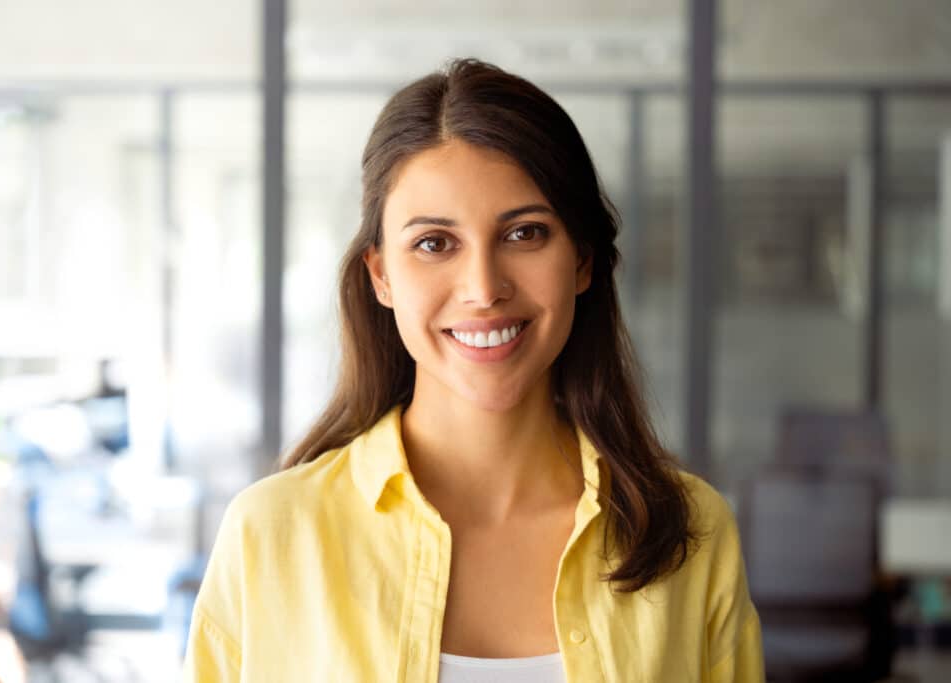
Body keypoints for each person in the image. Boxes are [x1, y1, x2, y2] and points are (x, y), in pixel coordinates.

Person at [184, 58, 764, 682]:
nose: (484, 289)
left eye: (525, 234)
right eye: (435, 243)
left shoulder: (690, 530)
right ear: (381, 276)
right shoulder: (271, 534)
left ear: (583, 263)